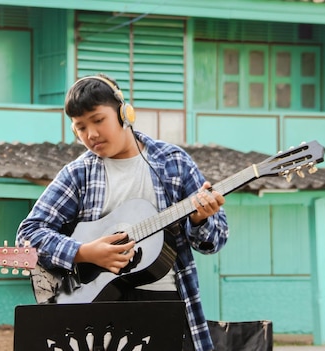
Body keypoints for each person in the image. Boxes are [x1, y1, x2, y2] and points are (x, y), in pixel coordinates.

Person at [16, 74, 229, 351]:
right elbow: (28, 235)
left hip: (165, 304)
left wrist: (200, 219)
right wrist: (84, 252)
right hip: (96, 314)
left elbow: (217, 239)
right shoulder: (78, 174)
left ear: (124, 114)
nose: (90, 134)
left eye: (98, 120)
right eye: (80, 127)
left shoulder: (173, 162)